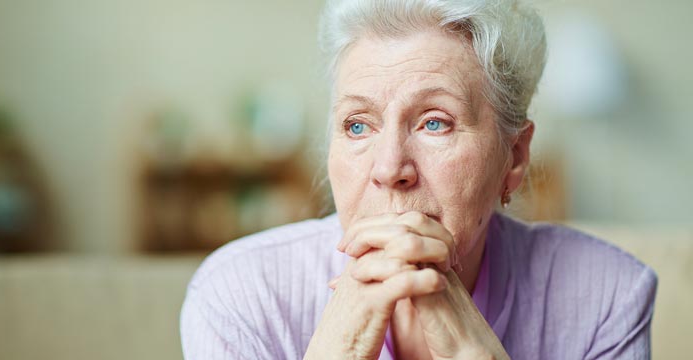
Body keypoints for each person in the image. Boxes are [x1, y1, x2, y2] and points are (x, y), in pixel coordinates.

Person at [180, 0, 658, 359]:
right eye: (357, 125)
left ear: (513, 156)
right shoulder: (240, 295)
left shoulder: (607, 297)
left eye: (435, 122)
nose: (389, 169)